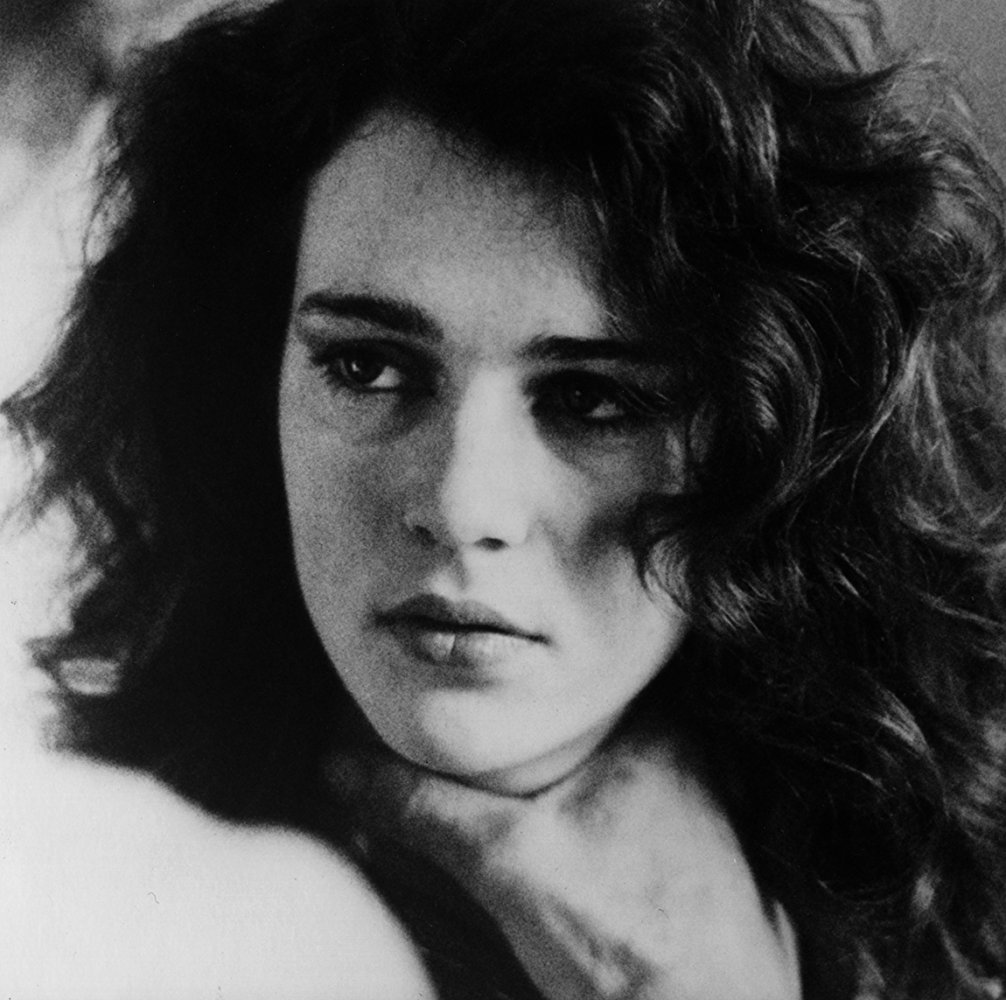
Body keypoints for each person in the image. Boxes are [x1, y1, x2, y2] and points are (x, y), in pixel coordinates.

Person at [3, 0, 1006, 996]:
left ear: (772, 441)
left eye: (591, 399)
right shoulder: (89, 909)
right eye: (365, 367)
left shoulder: (942, 917)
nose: (460, 505)